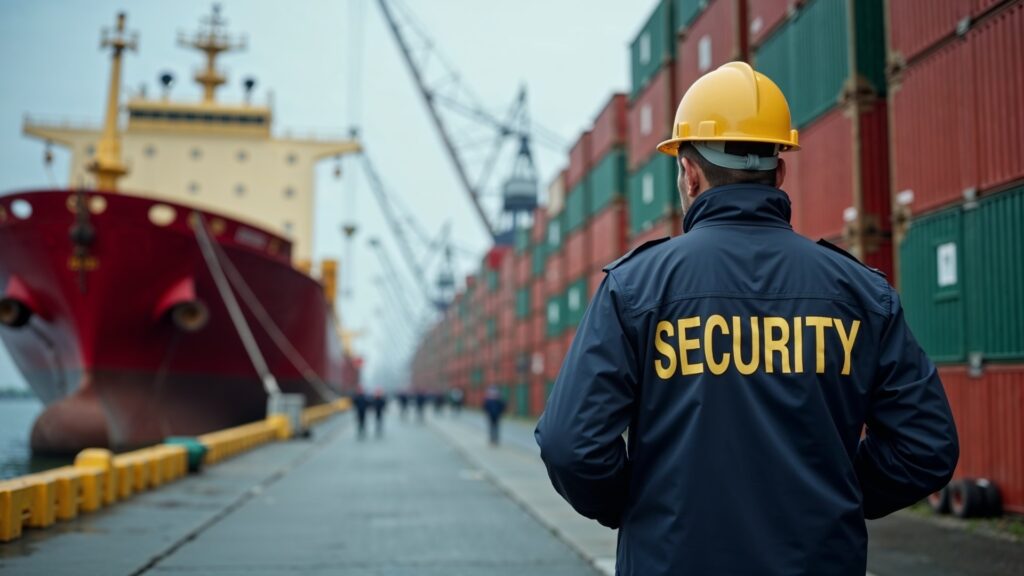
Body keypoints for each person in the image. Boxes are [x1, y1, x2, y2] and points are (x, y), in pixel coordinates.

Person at [534, 62, 958, 576]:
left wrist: (637, 505)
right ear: (779, 171)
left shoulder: (636, 288)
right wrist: (829, 493)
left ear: (688, 172)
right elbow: (927, 447)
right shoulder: (861, 293)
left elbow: (569, 445)